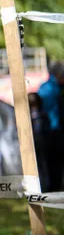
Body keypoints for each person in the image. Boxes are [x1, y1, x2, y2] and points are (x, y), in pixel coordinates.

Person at [38, 61, 64, 192]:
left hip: (49, 131)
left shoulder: (44, 87)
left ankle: (53, 188)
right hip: (54, 131)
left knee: (51, 164)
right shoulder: (54, 89)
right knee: (54, 163)